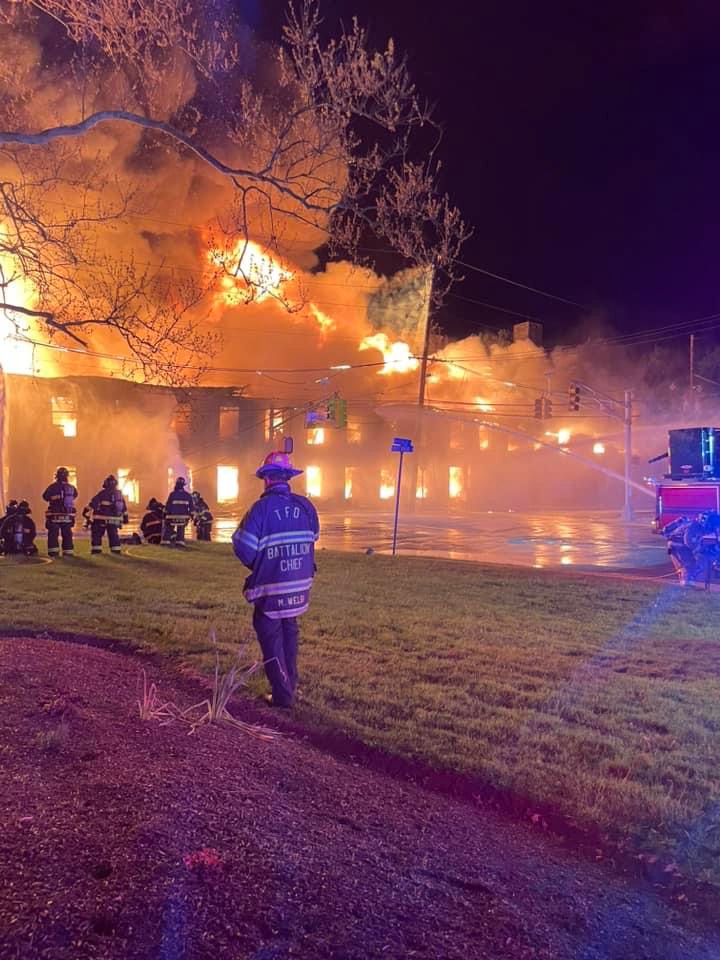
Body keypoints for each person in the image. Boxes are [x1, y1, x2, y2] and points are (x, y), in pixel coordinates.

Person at [232, 451, 320, 708]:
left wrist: (262, 564)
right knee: (289, 633)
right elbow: (312, 537)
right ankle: (290, 686)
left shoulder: (260, 509)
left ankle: (282, 698)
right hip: (299, 587)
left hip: (272, 587)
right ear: (287, 477)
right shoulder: (305, 506)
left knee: (271, 639)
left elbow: (244, 548)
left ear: (267, 480)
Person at [86, 475, 128, 555]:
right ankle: (116, 550)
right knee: (113, 535)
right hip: (115, 520)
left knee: (97, 534)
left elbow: (93, 503)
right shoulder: (119, 494)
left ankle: (96, 550)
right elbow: (124, 508)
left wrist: (85, 510)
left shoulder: (102, 493)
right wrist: (125, 518)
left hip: (101, 519)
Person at [42, 467, 78, 557]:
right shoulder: (71, 487)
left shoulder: (52, 487)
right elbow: (75, 495)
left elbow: (45, 497)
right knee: (67, 534)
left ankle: (53, 552)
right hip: (67, 516)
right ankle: (68, 552)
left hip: (54, 515)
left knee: (53, 534)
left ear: (56, 476)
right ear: (67, 476)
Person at [162, 477, 193, 546]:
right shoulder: (188, 495)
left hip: (172, 515)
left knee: (169, 528)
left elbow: (168, 505)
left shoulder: (172, 494)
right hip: (183, 517)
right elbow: (191, 507)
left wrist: (165, 513)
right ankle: (180, 542)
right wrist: (192, 515)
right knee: (181, 529)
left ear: (176, 484)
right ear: (183, 485)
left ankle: (166, 541)